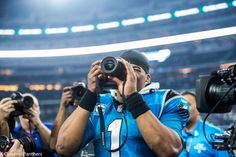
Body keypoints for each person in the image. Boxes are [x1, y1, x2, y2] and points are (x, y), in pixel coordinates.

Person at [56, 50, 190, 157]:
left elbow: (170, 150)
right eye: (125, 70)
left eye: (135, 70)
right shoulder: (99, 102)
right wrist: (90, 94)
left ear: (147, 79)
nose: (128, 74)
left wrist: (132, 97)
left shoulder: (167, 100)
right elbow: (63, 147)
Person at [179, 91, 232, 157]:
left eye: (188, 104)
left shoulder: (214, 134)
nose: (183, 109)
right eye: (181, 106)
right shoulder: (176, 136)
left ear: (199, 108)